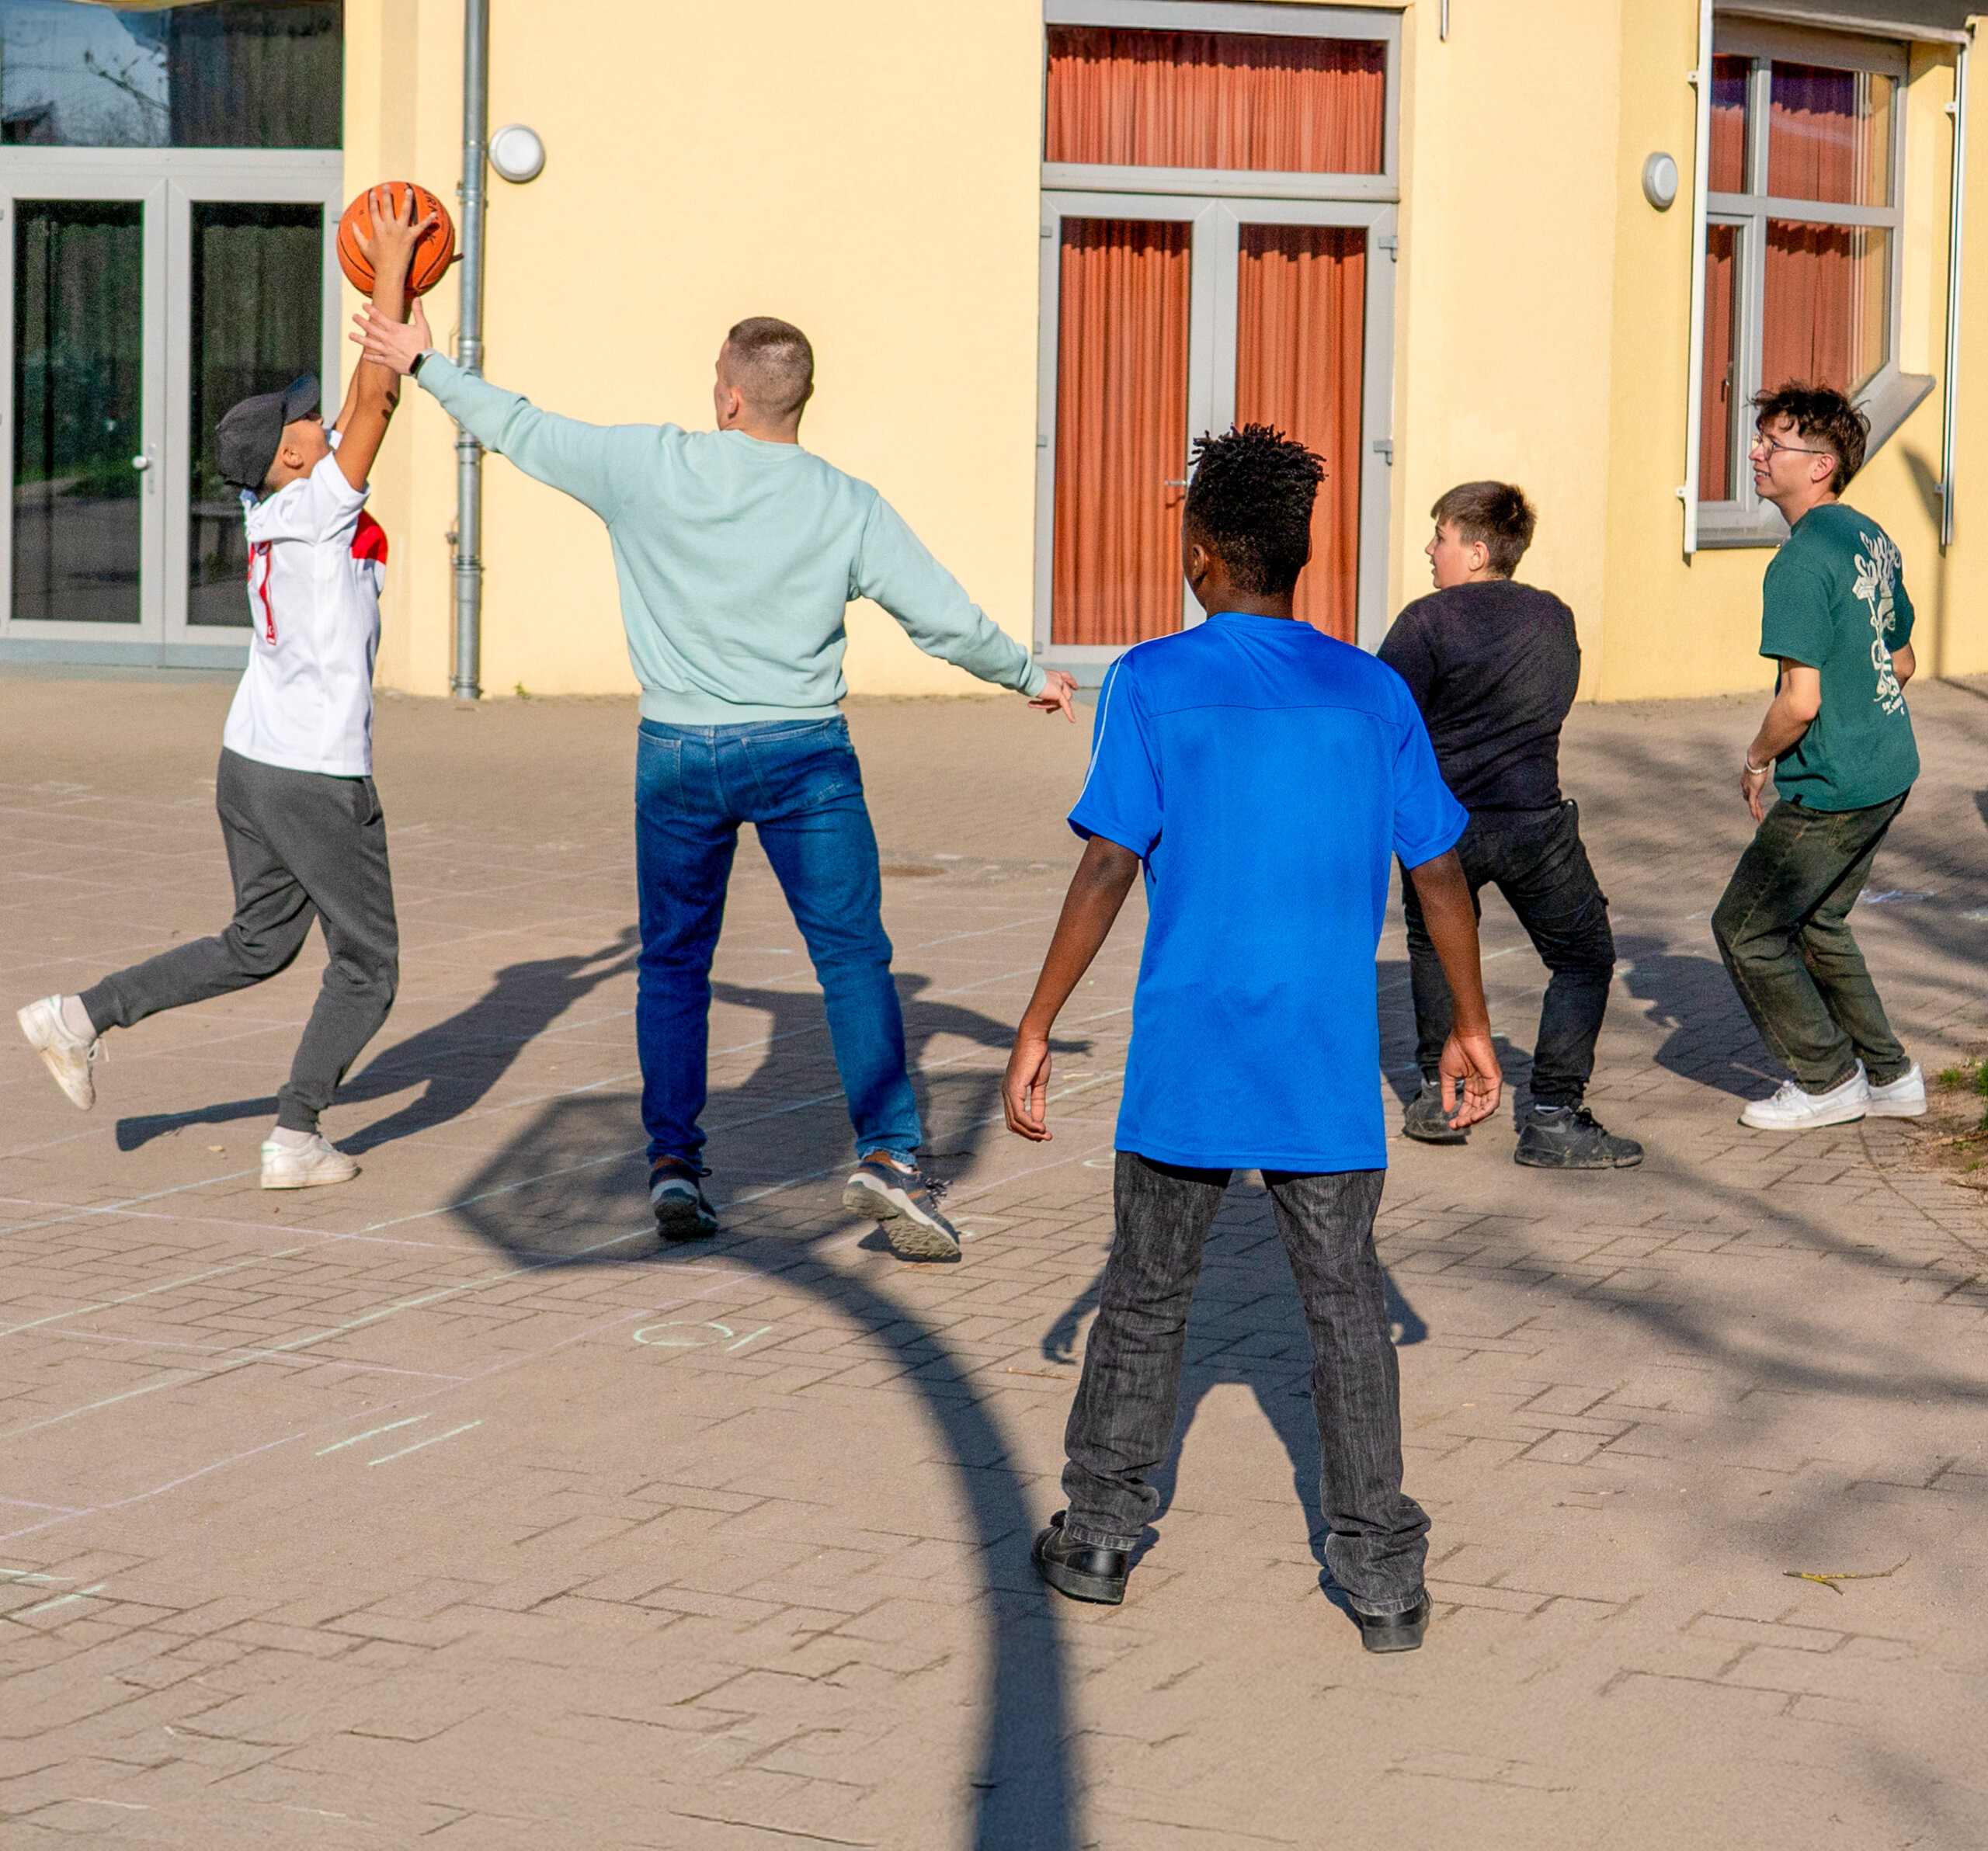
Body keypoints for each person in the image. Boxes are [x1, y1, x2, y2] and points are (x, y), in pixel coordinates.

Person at [354, 300, 1077, 1261]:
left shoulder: (648, 465)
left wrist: (424, 362)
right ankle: (892, 1159)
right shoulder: (843, 500)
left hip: (680, 754)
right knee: (853, 960)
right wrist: (1027, 675)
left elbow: (518, 428)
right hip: (803, 755)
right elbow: (939, 613)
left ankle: (675, 1168)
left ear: (730, 396)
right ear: (798, 402)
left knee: (676, 963)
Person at [1000, 425, 1503, 1652]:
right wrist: (1473, 1028)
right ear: (1302, 560)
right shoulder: (1372, 691)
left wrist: (1036, 1026)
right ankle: (1381, 1576)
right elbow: (1439, 871)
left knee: (1144, 1298)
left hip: (1190, 1058)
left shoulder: (1153, 680)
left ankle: (1104, 1535)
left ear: (1205, 556)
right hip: (1324, 1070)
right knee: (1346, 1313)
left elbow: (1110, 861)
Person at [16, 189, 429, 1189]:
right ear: (292, 455)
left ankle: (78, 1015)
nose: (320, 415)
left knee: (258, 942)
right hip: (315, 773)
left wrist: (406, 294)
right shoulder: (319, 507)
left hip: (250, 761)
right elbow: (373, 402)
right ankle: (294, 1135)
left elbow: (385, 390)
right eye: (305, 418)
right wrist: (384, 259)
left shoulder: (270, 508)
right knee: (369, 964)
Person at [1378, 483, 1642, 1169]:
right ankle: (1553, 1115)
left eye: (1440, 537)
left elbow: (1382, 717)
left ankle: (1442, 1098)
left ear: (1477, 550)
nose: (1430, 551)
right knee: (1583, 957)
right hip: (1534, 822)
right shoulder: (1553, 617)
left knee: (1436, 946)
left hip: (1441, 830)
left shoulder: (1425, 622)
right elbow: (1558, 699)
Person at [1712, 384, 1926, 1131]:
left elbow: (1799, 703)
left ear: (1821, 465)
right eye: (1760, 439)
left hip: (1833, 787)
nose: (1756, 455)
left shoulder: (1800, 563)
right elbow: (1899, 663)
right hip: (1889, 768)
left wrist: (1757, 759)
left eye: (1775, 444)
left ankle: (1829, 1080)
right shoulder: (1870, 536)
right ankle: (1894, 1077)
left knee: (1746, 930)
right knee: (1818, 922)